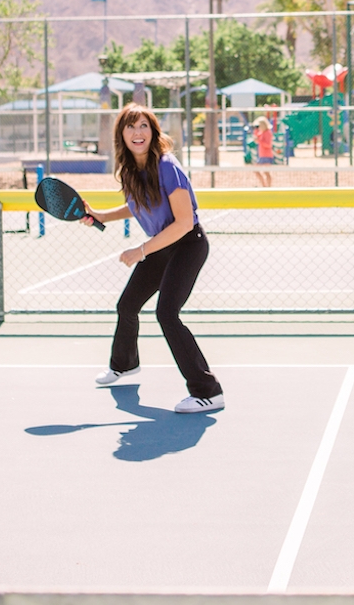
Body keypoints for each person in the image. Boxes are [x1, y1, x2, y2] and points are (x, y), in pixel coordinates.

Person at [81, 103, 224, 414]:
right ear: (122, 134)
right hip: (163, 245)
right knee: (127, 305)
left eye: (143, 126)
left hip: (188, 244)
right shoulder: (133, 170)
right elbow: (137, 204)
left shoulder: (167, 166)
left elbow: (184, 223)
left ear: (153, 132)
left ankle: (208, 391)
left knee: (167, 314)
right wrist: (101, 214)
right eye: (131, 126)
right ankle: (125, 365)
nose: (137, 132)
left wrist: (141, 251)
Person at [252, 116, 275, 188]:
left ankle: (268, 187)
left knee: (266, 172)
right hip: (261, 156)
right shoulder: (261, 132)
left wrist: (259, 141)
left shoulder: (268, 132)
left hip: (267, 156)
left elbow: (268, 145)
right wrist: (255, 131)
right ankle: (264, 186)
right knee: (256, 170)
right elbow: (256, 137)